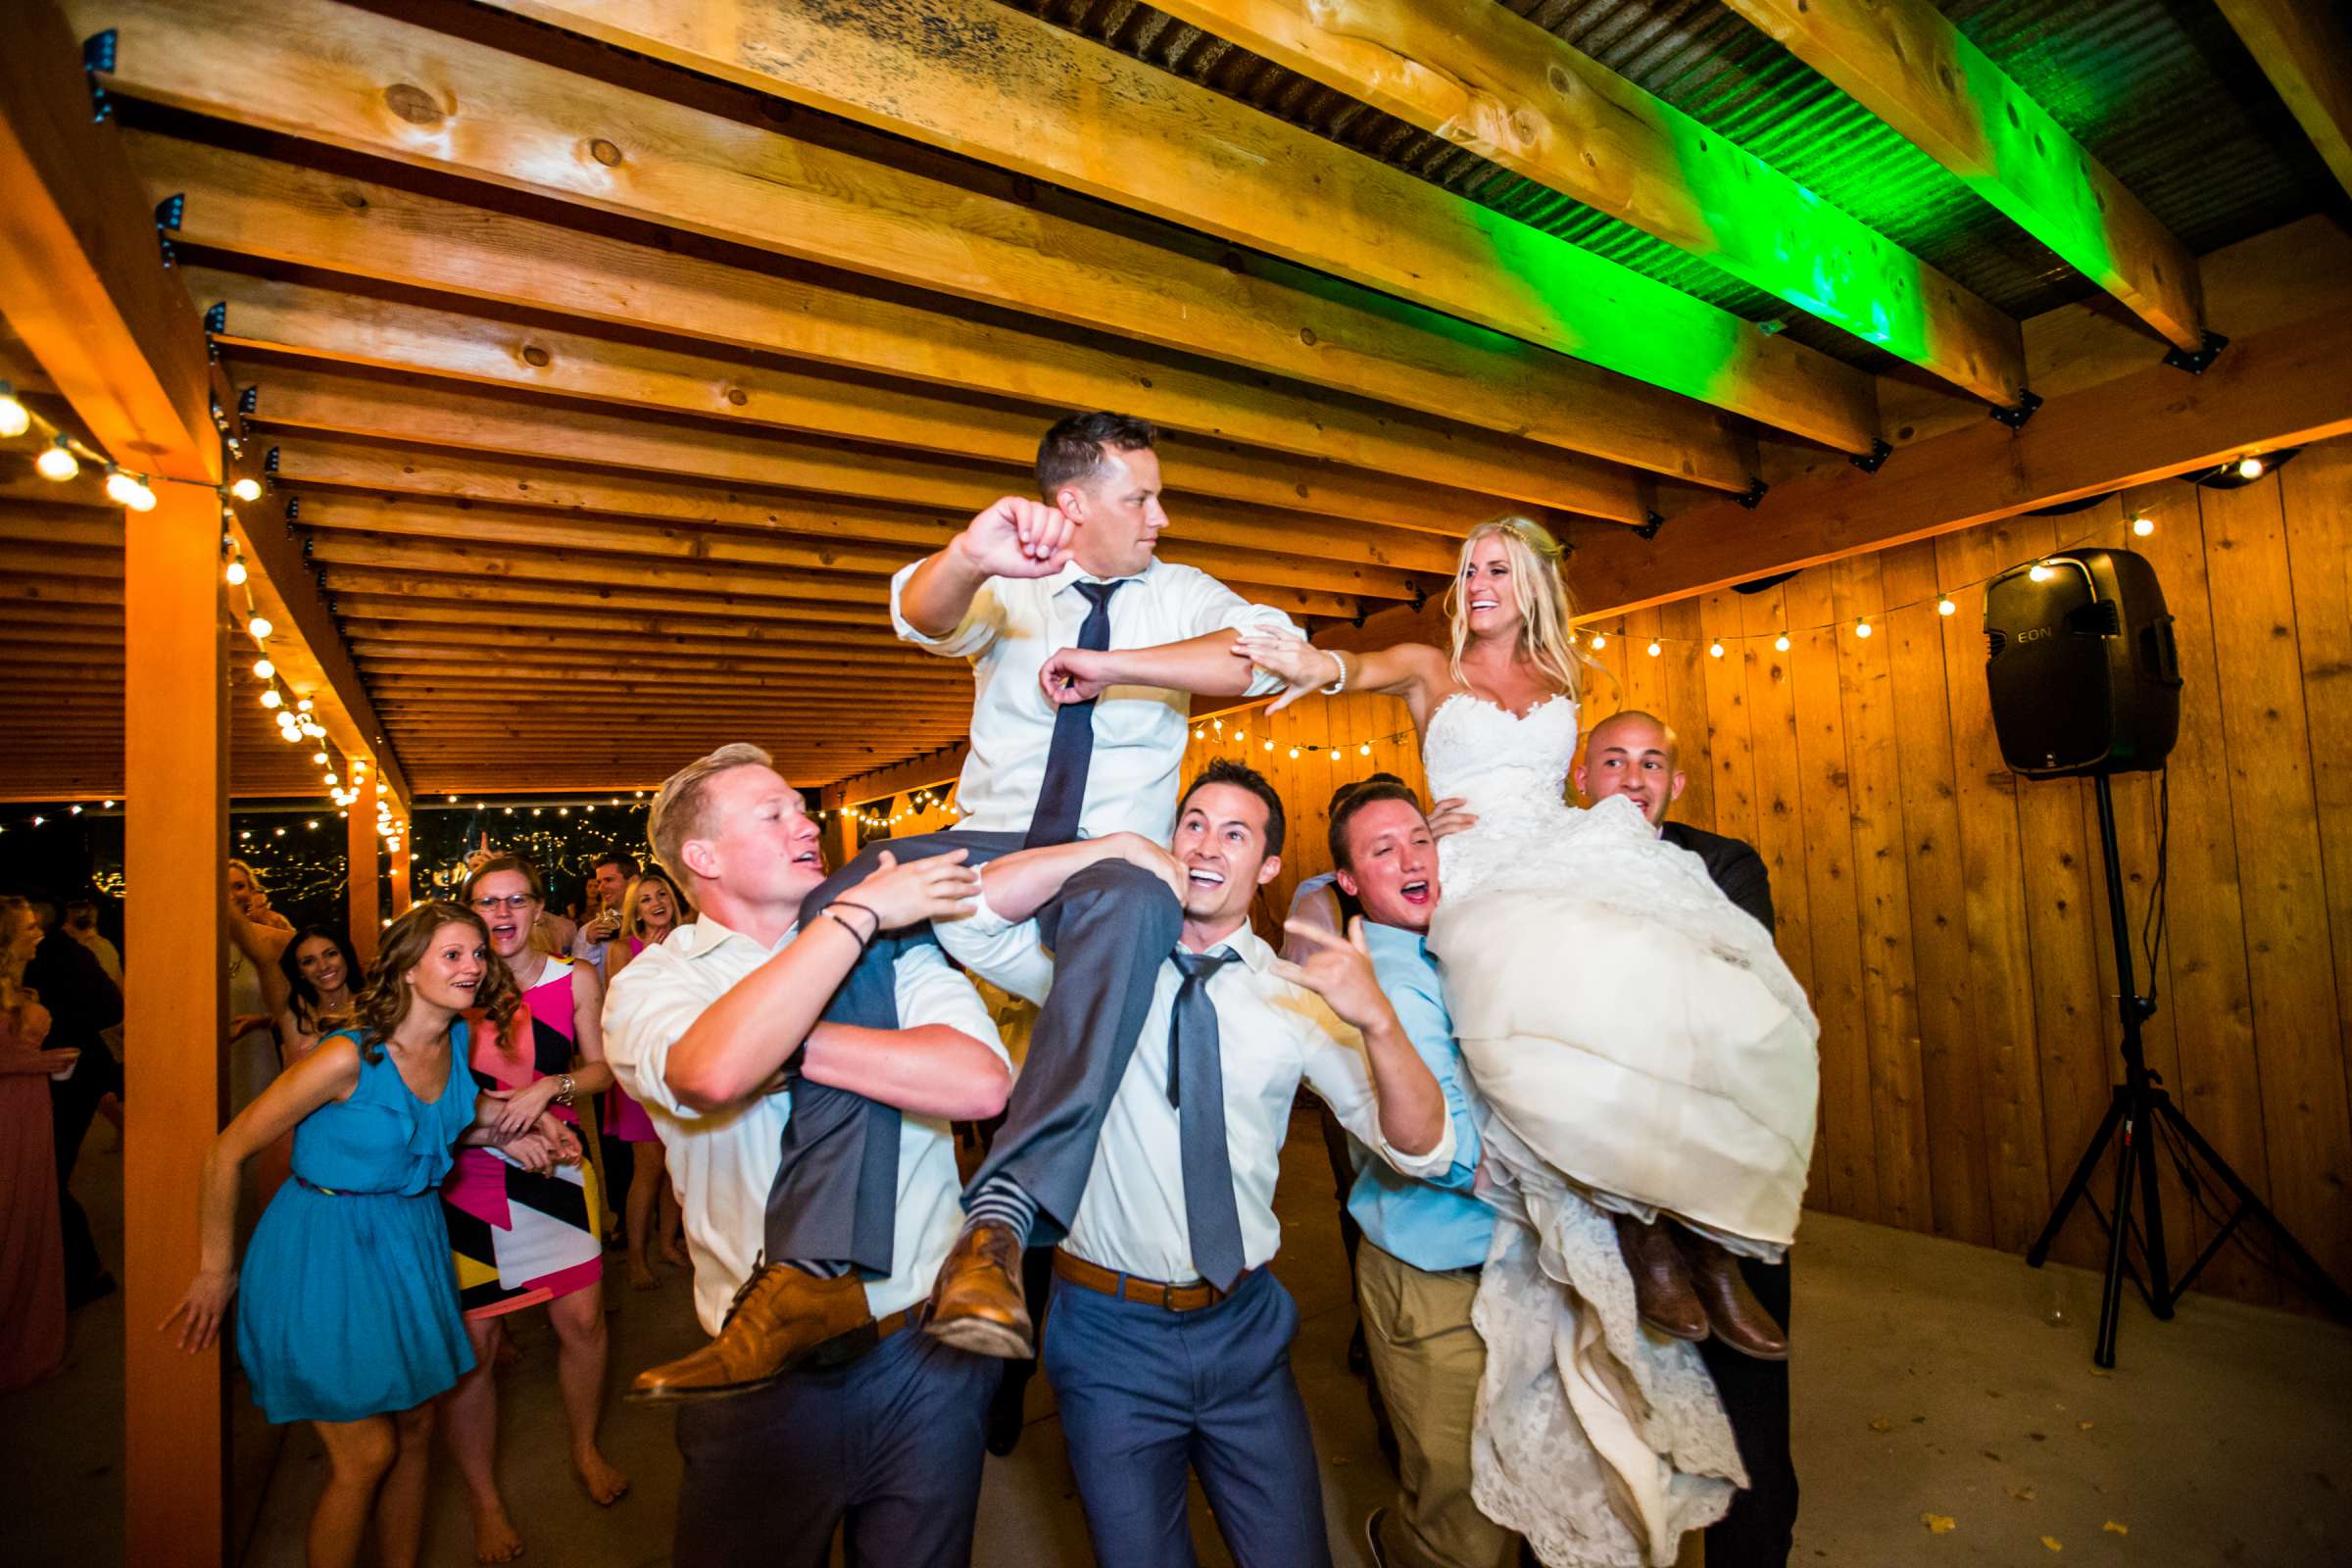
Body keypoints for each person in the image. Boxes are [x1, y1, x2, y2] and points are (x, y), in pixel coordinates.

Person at [630, 411, 1301, 1396]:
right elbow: (924, 611)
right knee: (850, 895)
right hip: (989, 838)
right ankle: (810, 1270)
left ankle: (1001, 1223)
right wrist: (965, 556)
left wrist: (1115, 667)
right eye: (1140, 497)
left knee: (1134, 898)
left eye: (1157, 497)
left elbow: (1260, 658)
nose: (1160, 516)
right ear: (1074, 503)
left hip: (1107, 866)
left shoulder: (1183, 593)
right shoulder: (1014, 580)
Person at [1239, 514, 1814, 1564]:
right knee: (1517, 1040)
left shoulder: (1564, 671)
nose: (1479, 581)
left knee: (1651, 988)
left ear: (1534, 581)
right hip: (1474, 878)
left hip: (1547, 858)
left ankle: (1675, 1229)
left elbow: (1550, 793)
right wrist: (1304, 659)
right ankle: (1612, 1232)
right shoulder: (1430, 661)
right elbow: (1353, 663)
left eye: (1498, 566)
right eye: (1468, 568)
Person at [955, 760, 1451, 1566]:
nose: (1207, 844)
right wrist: (1105, 849)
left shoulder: (1296, 996)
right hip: (1106, 1334)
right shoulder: (1092, 964)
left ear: (1268, 866)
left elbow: (1423, 1147)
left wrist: (1381, 1024)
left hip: (1245, 1329)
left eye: (1235, 832)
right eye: (1193, 823)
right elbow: (970, 918)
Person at [600, 743, 1014, 1567]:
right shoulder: (652, 985)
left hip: (923, 1354)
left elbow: (977, 1085)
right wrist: (852, 916)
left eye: (802, 806)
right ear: (702, 857)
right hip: (762, 1382)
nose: (807, 823)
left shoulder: (901, 952)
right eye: (775, 812)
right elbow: (711, 1070)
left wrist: (779, 1043)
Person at [161, 902, 581, 1568]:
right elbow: (226, 1151)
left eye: (477, 953)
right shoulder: (346, 1055)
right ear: (409, 970)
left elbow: (447, 1119)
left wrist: (526, 1129)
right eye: (452, 954)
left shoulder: (453, 1044)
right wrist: (217, 1270)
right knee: (367, 1454)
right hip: (323, 1246)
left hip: (407, 1240)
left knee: (416, 1429)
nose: (473, 967)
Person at [1575, 709, 1799, 1567]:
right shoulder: (1548, 865)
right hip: (1601, 1164)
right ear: (1582, 776)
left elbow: (1736, 985)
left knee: (1750, 1421)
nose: (1632, 778)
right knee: (1609, 1407)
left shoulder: (1726, 863)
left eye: (1652, 763)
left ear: (1675, 783)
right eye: (1614, 761)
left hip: (1720, 1161)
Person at [1322, 782, 1516, 1568]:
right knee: (1462, 1517)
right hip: (1433, 1279)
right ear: (1348, 884)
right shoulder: (1384, 979)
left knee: (1533, 1478)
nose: (1410, 860)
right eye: (1381, 851)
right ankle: (1401, 1548)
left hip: (1521, 1264)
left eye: (1418, 841)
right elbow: (1447, 1145)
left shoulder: (1463, 936)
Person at [440, 857, 628, 1563]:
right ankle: (485, 1501)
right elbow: (428, 1094)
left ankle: (583, 1447)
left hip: (559, 1165)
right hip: (472, 1178)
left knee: (581, 1319)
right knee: (477, 1347)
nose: (503, 914)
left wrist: (549, 1088)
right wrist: (498, 1129)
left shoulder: (571, 979)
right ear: (469, 911)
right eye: (488, 902)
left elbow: (601, 1067)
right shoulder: (452, 984)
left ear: (539, 908)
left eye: (517, 900)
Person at [23, 894, 122, 1309]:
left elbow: (110, 1007)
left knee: (48, 1175)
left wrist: (57, 1026)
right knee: (44, 1175)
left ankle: (83, 1272)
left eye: (31, 923)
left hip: (69, 1075)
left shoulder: (68, 956)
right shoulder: (38, 961)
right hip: (51, 1077)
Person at [604, 868, 690, 1289]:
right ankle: (637, 1258)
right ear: (634, 910)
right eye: (645, 899)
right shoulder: (623, 949)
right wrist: (649, 962)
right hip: (638, 1067)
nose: (656, 903)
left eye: (662, 895)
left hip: (681, 1065)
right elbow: (616, 1013)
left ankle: (669, 1244)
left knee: (677, 1166)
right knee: (649, 1168)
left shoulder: (689, 940)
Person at [1, 896, 72, 1391]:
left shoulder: (18, 989)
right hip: (8, 1111)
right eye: (28, 927)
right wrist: (40, 1064)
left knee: (30, 1216)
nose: (39, 933)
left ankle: (24, 1339)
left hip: (29, 1107)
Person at [272, 927, 358, 1061]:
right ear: (300, 972)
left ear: (345, 956)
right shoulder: (299, 1021)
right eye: (308, 962)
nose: (323, 966)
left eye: (331, 954)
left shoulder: (375, 1006)